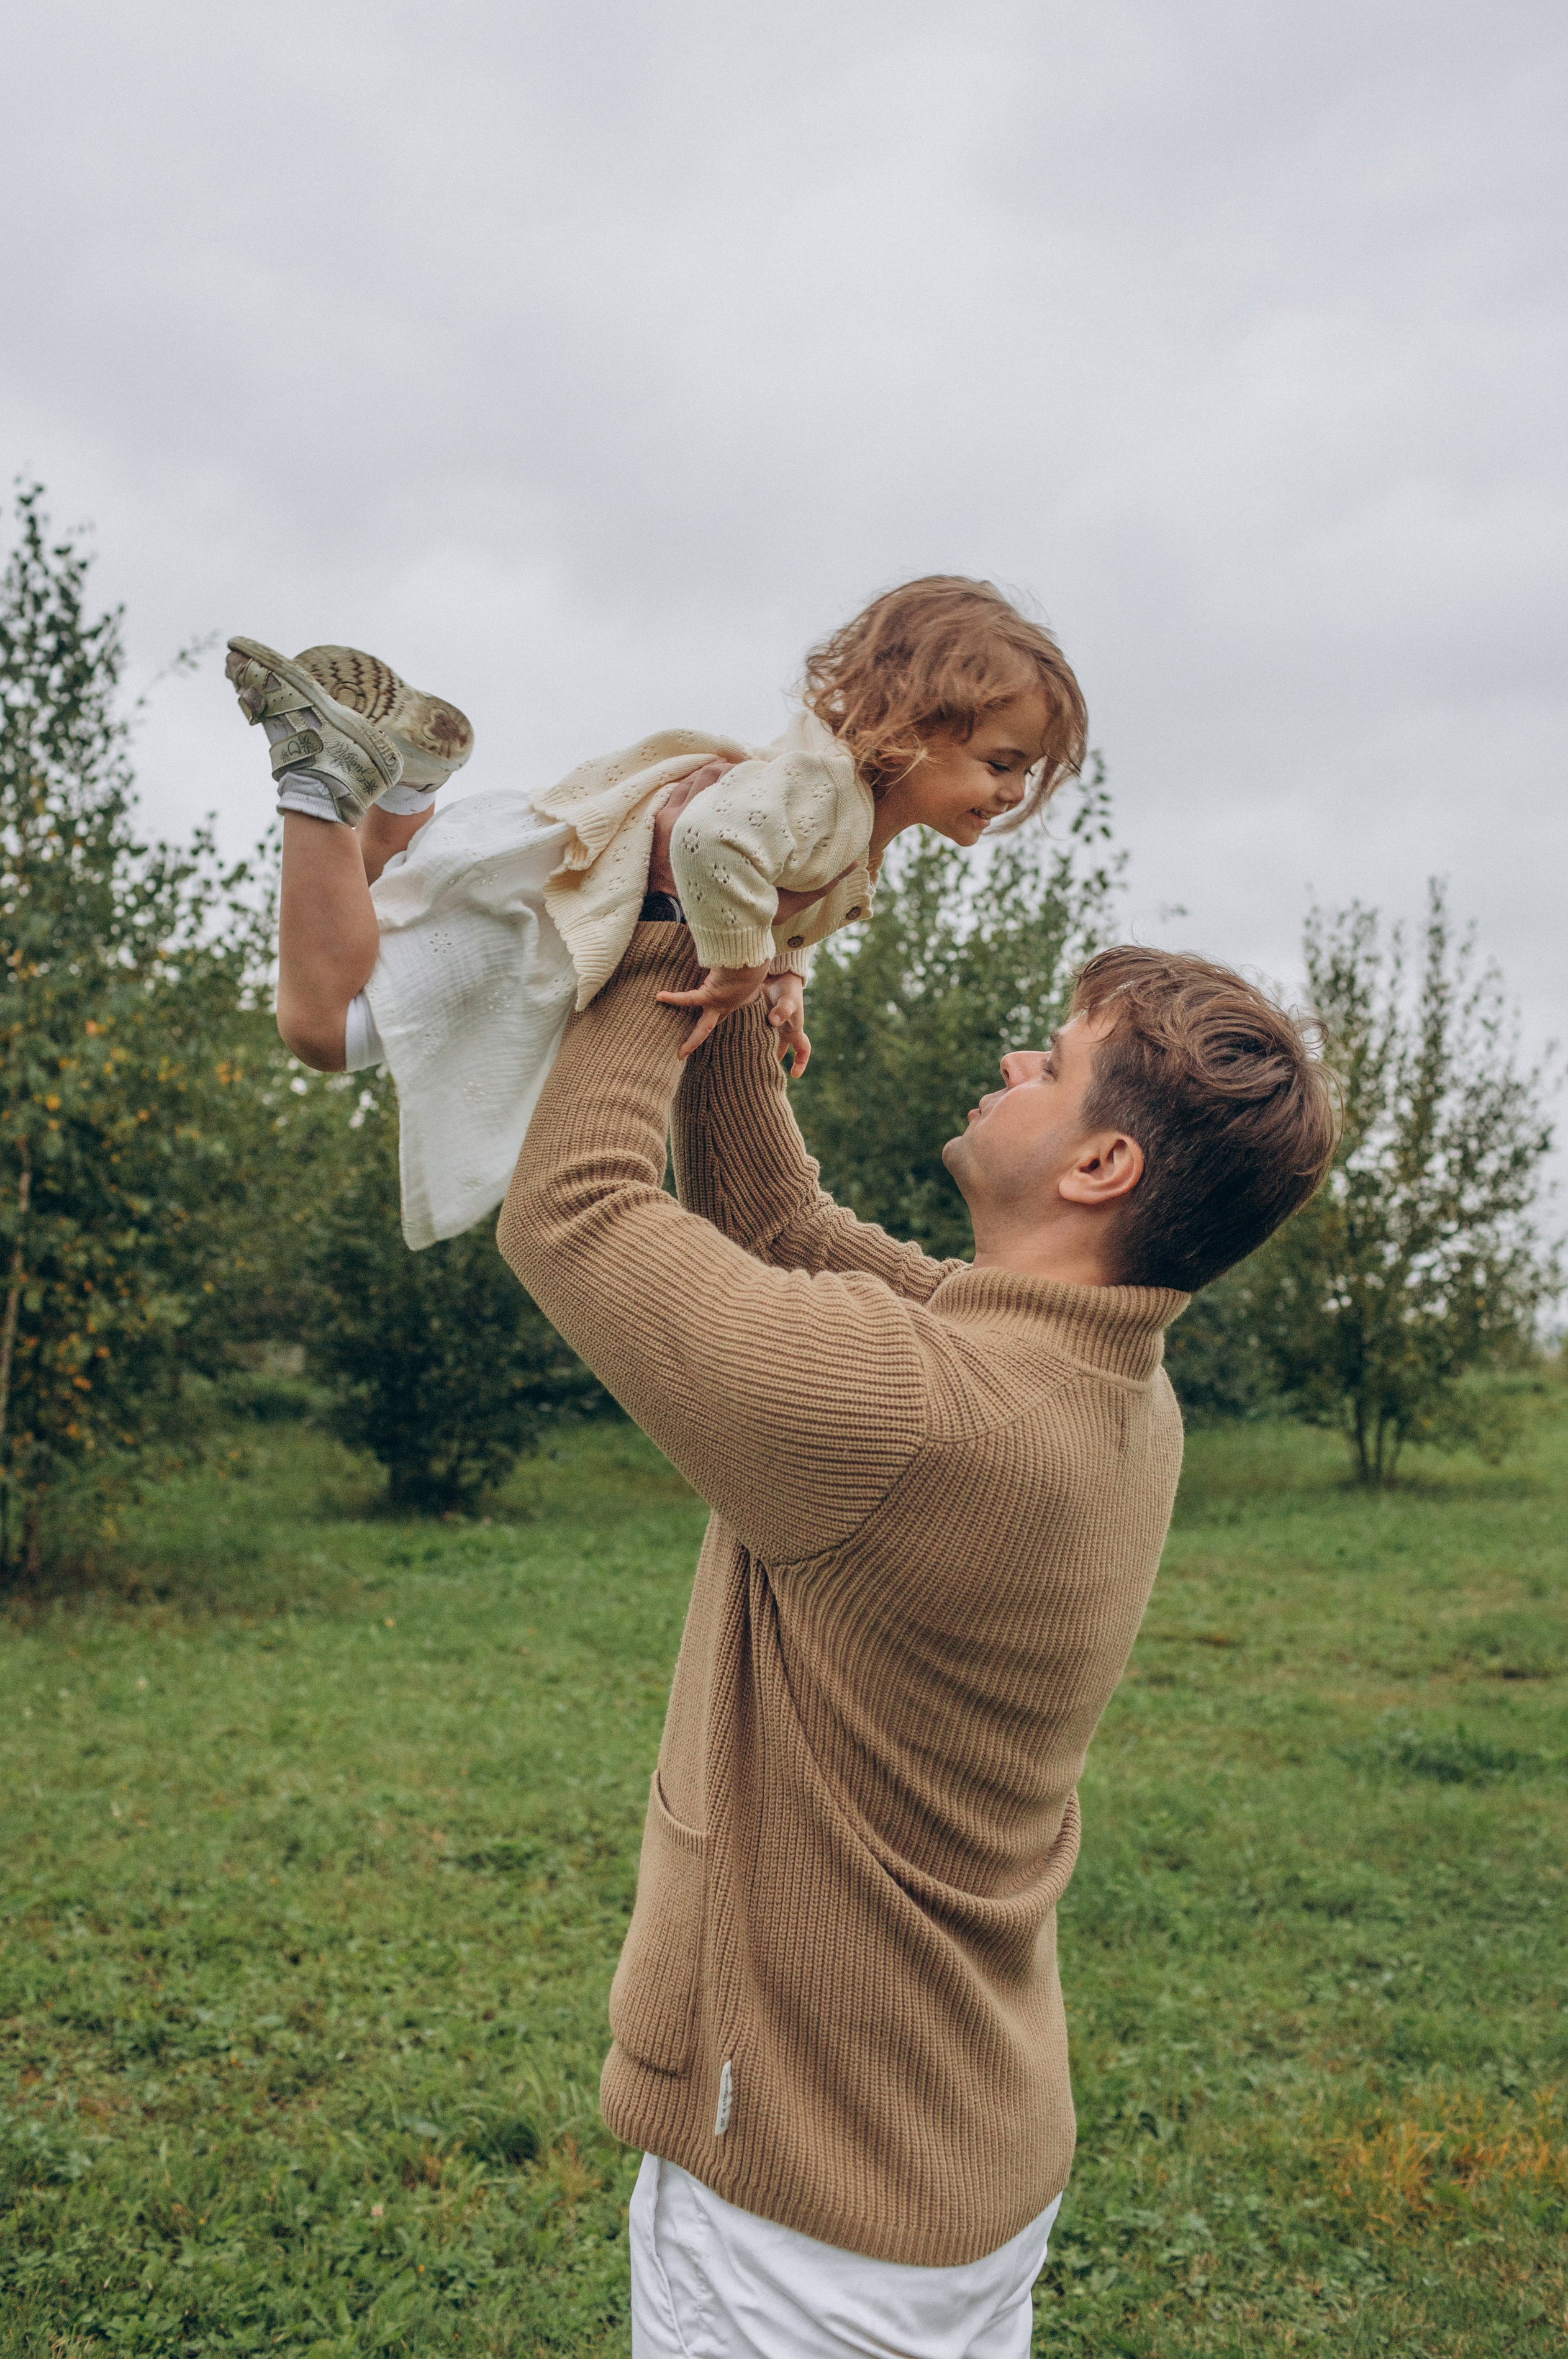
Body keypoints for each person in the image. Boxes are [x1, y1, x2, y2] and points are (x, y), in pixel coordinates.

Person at [492, 766, 1339, 2357]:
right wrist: (735, 988)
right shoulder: (1096, 1383)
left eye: (1057, 1061)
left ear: (1100, 1169)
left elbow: (574, 1211)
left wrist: (672, 898)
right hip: (949, 2156)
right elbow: (774, 1220)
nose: (1018, 1060)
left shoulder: (919, 1411)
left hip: (803, 2219)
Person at [225, 577, 1087, 1246]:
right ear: (915, 725)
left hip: (549, 875)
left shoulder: (844, 806)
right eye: (1000, 763)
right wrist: (744, 960)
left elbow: (777, 880)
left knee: (379, 899)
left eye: (1024, 773)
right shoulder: (831, 800)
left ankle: (407, 780)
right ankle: (322, 779)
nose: (1010, 793)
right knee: (326, 1028)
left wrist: (784, 973)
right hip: (550, 927)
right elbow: (713, 843)